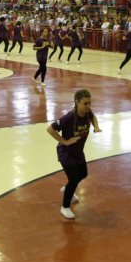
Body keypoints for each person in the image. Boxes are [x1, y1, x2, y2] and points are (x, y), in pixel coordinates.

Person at [47, 89, 101, 219]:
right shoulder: (69, 117)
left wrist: (96, 126)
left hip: (78, 152)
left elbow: (93, 117)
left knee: (83, 174)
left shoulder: (88, 113)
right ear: (77, 102)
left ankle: (67, 189)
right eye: (85, 104)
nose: (88, 106)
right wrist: (64, 141)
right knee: (73, 179)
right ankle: (65, 207)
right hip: (66, 153)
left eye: (90, 103)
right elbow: (50, 129)